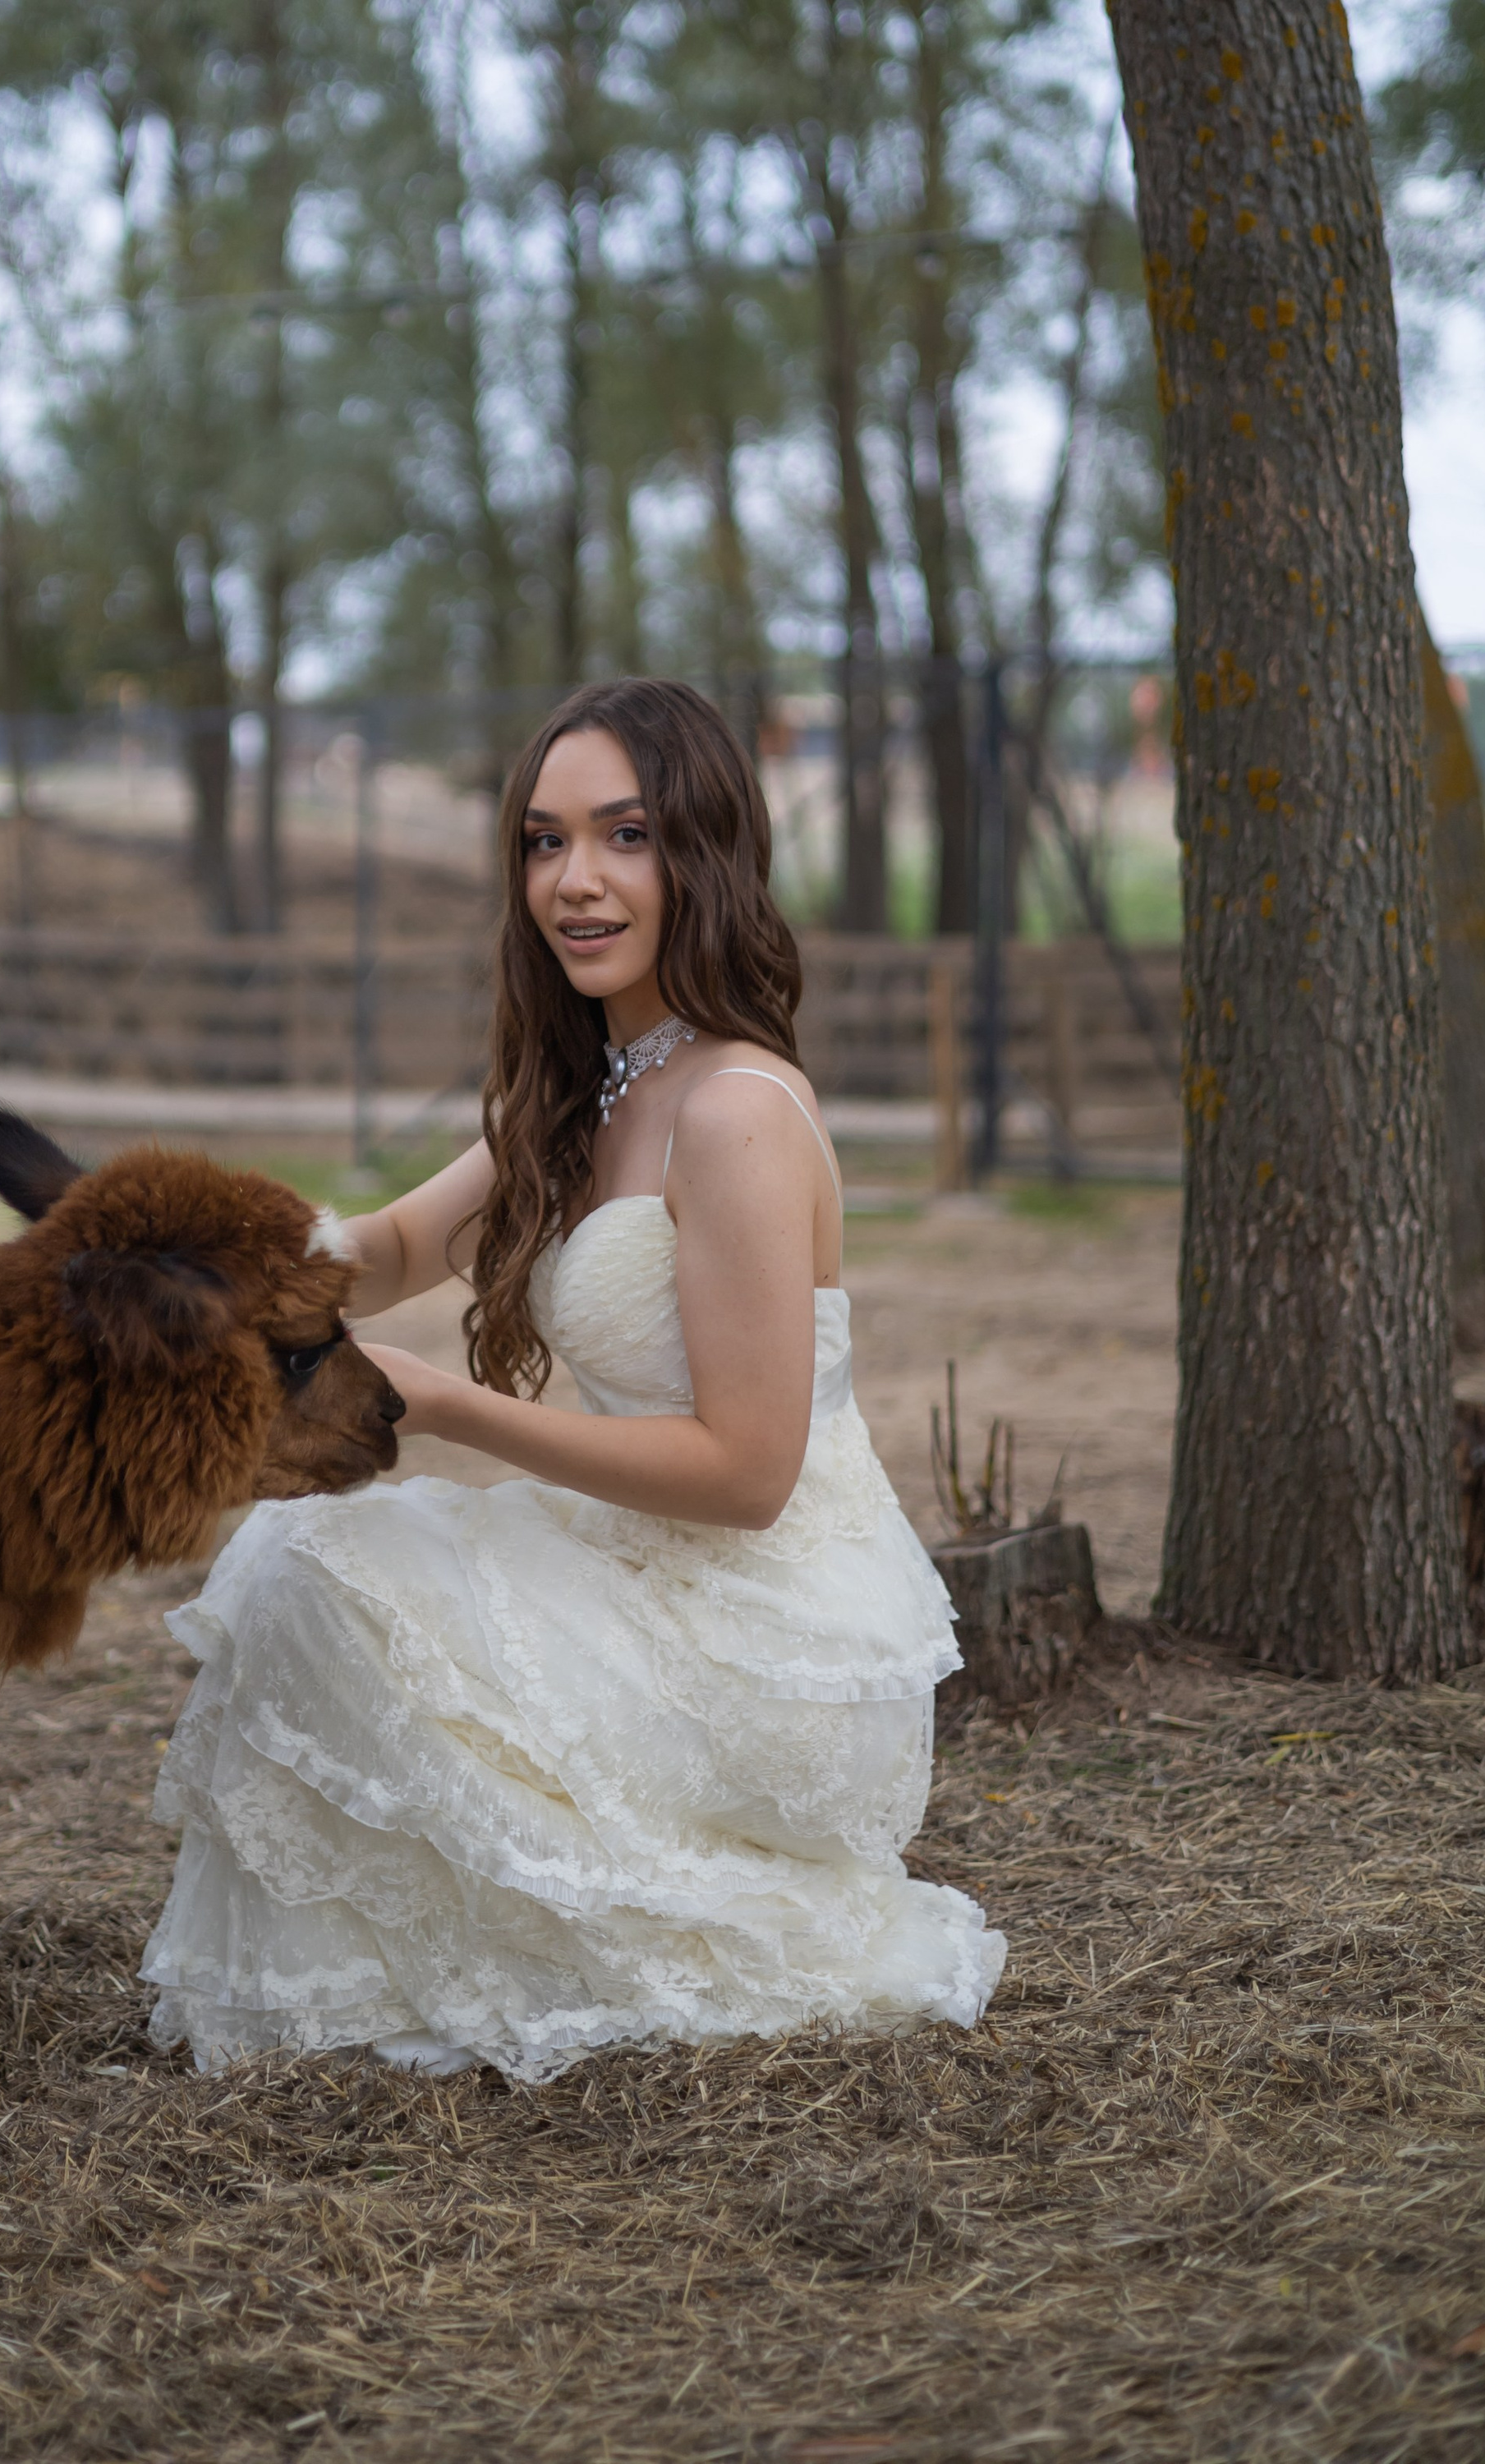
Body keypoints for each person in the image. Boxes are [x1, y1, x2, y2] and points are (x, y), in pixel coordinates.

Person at [141, 678, 1005, 2078]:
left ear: (702, 854)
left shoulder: (732, 1113)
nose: (576, 882)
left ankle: (463, 1965)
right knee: (299, 1565)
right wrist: (204, 1267)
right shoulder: (586, 1090)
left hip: (770, 1633)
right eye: (544, 843)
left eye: (624, 836)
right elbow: (399, 1244)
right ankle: (376, 1983)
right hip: (632, 1566)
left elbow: (746, 1471)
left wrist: (445, 1404)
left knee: (319, 1584)